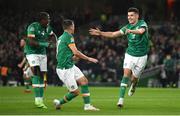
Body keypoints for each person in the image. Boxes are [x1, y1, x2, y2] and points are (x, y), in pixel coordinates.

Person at [89, 7, 149, 108]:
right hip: (130, 55)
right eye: (128, 15)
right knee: (126, 75)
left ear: (137, 16)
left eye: (132, 15)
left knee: (134, 78)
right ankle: (120, 100)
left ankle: (134, 85)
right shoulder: (126, 27)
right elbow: (113, 34)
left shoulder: (142, 23)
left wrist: (130, 31)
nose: (129, 17)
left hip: (142, 57)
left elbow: (141, 31)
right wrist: (101, 33)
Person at [53, 19, 99, 111]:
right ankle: (59, 102)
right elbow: (76, 52)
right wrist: (89, 58)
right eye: (73, 25)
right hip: (65, 69)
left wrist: (70, 58)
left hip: (70, 65)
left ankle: (87, 106)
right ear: (71, 27)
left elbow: (59, 53)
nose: (74, 27)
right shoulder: (68, 36)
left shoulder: (61, 37)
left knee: (84, 81)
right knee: (75, 92)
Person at [26, 12, 55, 109]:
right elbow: (30, 41)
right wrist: (44, 44)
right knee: (37, 72)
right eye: (47, 19)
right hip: (32, 53)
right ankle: (37, 100)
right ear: (42, 20)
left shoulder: (48, 28)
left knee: (42, 76)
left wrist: (52, 41)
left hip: (42, 54)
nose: (49, 21)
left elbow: (52, 35)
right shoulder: (33, 27)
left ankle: (41, 100)